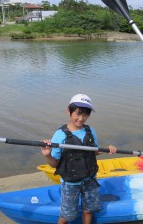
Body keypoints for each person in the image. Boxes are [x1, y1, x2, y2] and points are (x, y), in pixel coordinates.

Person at [40, 94, 117, 224]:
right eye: (78, 114)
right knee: (66, 216)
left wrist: (107, 149)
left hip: (90, 180)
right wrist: (47, 155)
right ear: (69, 111)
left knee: (88, 211)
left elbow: (93, 151)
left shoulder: (90, 131)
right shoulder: (60, 135)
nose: (81, 118)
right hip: (70, 183)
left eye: (85, 115)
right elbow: (54, 165)